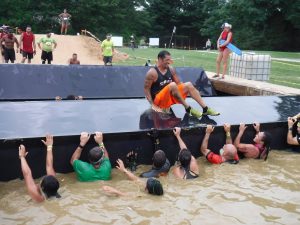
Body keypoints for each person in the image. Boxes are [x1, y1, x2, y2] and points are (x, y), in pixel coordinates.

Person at [144, 50, 220, 118]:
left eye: (170, 59)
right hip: (158, 101)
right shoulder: (152, 72)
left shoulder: (171, 69)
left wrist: (191, 90)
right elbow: (146, 89)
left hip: (169, 98)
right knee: (172, 85)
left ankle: (205, 109)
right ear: (160, 60)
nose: (169, 62)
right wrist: (153, 105)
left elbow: (179, 83)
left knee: (188, 84)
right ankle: (188, 108)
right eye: (167, 60)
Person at [18, 135, 60, 202]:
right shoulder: (54, 186)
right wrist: (49, 147)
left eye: (42, 180)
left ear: (42, 187)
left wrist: (22, 157)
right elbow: (49, 166)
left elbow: (27, 174)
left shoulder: (38, 197)